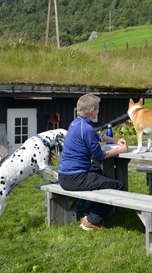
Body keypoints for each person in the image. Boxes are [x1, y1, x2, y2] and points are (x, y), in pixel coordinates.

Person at [58, 94, 129, 231]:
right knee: (117, 185)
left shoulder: (76, 123)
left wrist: (115, 140)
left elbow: (97, 136)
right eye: (97, 109)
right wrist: (120, 149)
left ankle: (90, 214)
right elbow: (100, 155)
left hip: (65, 175)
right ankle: (91, 220)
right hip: (75, 178)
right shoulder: (86, 129)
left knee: (101, 176)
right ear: (92, 111)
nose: (98, 111)